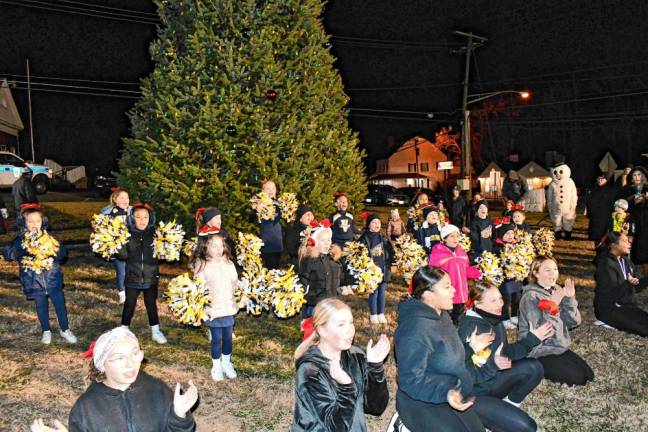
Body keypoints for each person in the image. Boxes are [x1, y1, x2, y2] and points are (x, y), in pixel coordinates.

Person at [30, 327, 198, 432]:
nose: (130, 364)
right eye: (119, 358)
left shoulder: (157, 390)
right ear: (102, 365)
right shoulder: (86, 408)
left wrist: (179, 415)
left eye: (135, 354)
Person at [395, 266, 484, 432]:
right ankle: (402, 425)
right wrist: (446, 392)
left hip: (453, 389)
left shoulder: (441, 315)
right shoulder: (415, 330)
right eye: (447, 287)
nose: (454, 290)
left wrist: (470, 348)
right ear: (428, 296)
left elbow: (445, 355)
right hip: (421, 399)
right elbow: (410, 380)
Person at [458, 281, 552, 432]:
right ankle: (492, 417)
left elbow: (506, 353)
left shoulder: (493, 319)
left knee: (534, 367)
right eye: (493, 300)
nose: (500, 304)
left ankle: (510, 404)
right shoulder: (472, 329)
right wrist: (494, 365)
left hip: (492, 381)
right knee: (526, 427)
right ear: (477, 303)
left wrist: (532, 338)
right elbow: (467, 376)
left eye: (500, 298)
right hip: (475, 394)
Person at [292, 298, 390, 431]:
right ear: (322, 330)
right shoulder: (310, 371)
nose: (350, 330)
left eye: (351, 323)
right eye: (341, 325)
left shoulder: (355, 356)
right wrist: (346, 388)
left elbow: (376, 407)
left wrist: (375, 367)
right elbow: (335, 427)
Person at [3, 203, 77, 345]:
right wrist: (22, 249)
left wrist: (54, 251)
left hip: (52, 278)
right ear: (24, 223)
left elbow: (62, 254)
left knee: (60, 304)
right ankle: (46, 330)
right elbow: (9, 253)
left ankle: (65, 329)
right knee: (41, 305)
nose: (34, 224)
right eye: (30, 221)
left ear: (42, 222)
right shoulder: (21, 240)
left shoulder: (49, 238)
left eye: (37, 221)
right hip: (33, 280)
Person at [518, 255, 594, 386]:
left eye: (555, 269)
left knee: (588, 375)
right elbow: (541, 333)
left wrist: (570, 299)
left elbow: (573, 322)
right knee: (578, 379)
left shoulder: (557, 290)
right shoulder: (531, 297)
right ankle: (534, 366)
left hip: (558, 347)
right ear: (535, 273)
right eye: (547, 270)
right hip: (539, 350)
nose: (553, 273)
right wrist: (552, 306)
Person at [191, 226, 242, 381]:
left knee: (228, 337)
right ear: (205, 247)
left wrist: (240, 289)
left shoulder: (229, 264)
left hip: (228, 307)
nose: (218, 249)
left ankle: (226, 362)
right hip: (213, 309)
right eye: (214, 246)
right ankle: (216, 365)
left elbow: (234, 282)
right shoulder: (203, 266)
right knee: (216, 339)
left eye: (221, 245)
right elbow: (197, 288)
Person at [116, 203, 167, 344]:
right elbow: (123, 256)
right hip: (133, 276)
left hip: (150, 277)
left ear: (150, 218)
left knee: (151, 304)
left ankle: (155, 331)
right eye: (138, 217)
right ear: (132, 219)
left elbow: (161, 255)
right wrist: (118, 245)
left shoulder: (155, 235)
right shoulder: (127, 234)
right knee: (129, 304)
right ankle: (123, 329)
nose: (142, 220)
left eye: (145, 217)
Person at [594, 232, 648, 337]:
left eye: (628, 241)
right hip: (608, 309)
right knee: (645, 330)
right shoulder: (605, 265)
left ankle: (618, 322)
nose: (629, 243)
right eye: (625, 241)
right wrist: (628, 283)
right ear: (613, 245)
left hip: (625, 306)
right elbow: (611, 295)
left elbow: (635, 287)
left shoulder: (625, 261)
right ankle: (608, 321)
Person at [428, 224, 481, 324]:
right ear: (444, 238)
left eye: (457, 236)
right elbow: (433, 273)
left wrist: (479, 271)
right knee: (446, 320)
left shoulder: (462, 252)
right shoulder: (437, 253)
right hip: (447, 293)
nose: (455, 239)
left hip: (461, 293)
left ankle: (457, 336)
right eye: (452, 236)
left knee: (459, 319)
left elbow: (466, 270)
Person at [298, 219, 340, 318]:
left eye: (329, 240)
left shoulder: (332, 259)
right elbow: (303, 280)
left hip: (330, 302)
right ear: (314, 241)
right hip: (314, 304)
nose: (327, 243)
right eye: (323, 240)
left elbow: (338, 279)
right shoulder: (310, 260)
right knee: (313, 328)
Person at [359, 212, 394, 324]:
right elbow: (359, 253)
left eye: (378, 222)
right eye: (374, 222)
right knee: (373, 292)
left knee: (382, 292)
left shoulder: (383, 237)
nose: (376, 224)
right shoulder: (364, 238)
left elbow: (390, 252)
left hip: (383, 269)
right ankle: (373, 314)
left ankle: (381, 313)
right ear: (369, 224)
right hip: (372, 272)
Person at [101, 187, 132, 304]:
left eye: (127, 198)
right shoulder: (108, 213)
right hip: (118, 248)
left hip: (132, 247)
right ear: (115, 199)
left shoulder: (133, 212)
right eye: (122, 197)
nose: (125, 200)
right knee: (122, 271)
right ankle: (122, 293)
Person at [249, 180, 284, 269]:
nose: (270, 190)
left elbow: (278, 218)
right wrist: (258, 210)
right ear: (263, 191)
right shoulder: (258, 203)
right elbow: (251, 218)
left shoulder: (278, 203)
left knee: (276, 266)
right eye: (267, 188)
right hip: (265, 241)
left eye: (273, 188)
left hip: (277, 241)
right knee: (268, 267)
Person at [621, 166, 648, 275]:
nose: (637, 177)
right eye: (634, 175)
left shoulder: (647, 188)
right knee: (633, 246)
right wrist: (633, 199)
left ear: (643, 176)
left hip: (646, 220)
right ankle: (631, 271)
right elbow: (623, 203)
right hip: (633, 221)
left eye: (639, 174)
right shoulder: (628, 189)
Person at [546, 162, 578, 240]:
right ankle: (558, 235)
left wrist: (573, 206)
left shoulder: (570, 182)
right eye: (555, 172)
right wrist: (550, 207)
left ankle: (568, 236)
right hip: (555, 208)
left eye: (560, 172)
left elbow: (574, 195)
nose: (558, 174)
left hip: (568, 207)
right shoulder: (552, 184)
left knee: (568, 220)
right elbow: (549, 197)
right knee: (556, 221)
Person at [584, 174, 617, 246]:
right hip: (595, 213)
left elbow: (612, 202)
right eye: (599, 178)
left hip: (605, 214)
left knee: (603, 232)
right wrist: (588, 210)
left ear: (606, 180)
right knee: (594, 229)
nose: (600, 180)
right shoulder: (593, 188)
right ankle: (595, 240)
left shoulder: (610, 189)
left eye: (602, 179)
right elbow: (588, 200)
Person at [285, 204, 315, 269]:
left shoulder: (314, 229)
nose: (311, 217)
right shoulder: (294, 230)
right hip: (298, 263)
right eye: (308, 215)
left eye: (311, 215)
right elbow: (291, 249)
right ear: (300, 218)